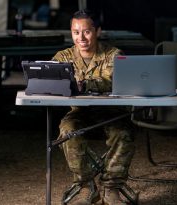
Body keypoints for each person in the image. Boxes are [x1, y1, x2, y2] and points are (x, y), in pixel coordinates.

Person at [52, 9, 135, 205]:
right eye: (75, 32)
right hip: (80, 112)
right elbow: (53, 81)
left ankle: (111, 187)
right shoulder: (63, 58)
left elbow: (111, 80)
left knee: (124, 132)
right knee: (68, 130)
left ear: (97, 31)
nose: (80, 37)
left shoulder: (114, 55)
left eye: (87, 31)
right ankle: (86, 183)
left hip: (112, 112)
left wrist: (81, 84)